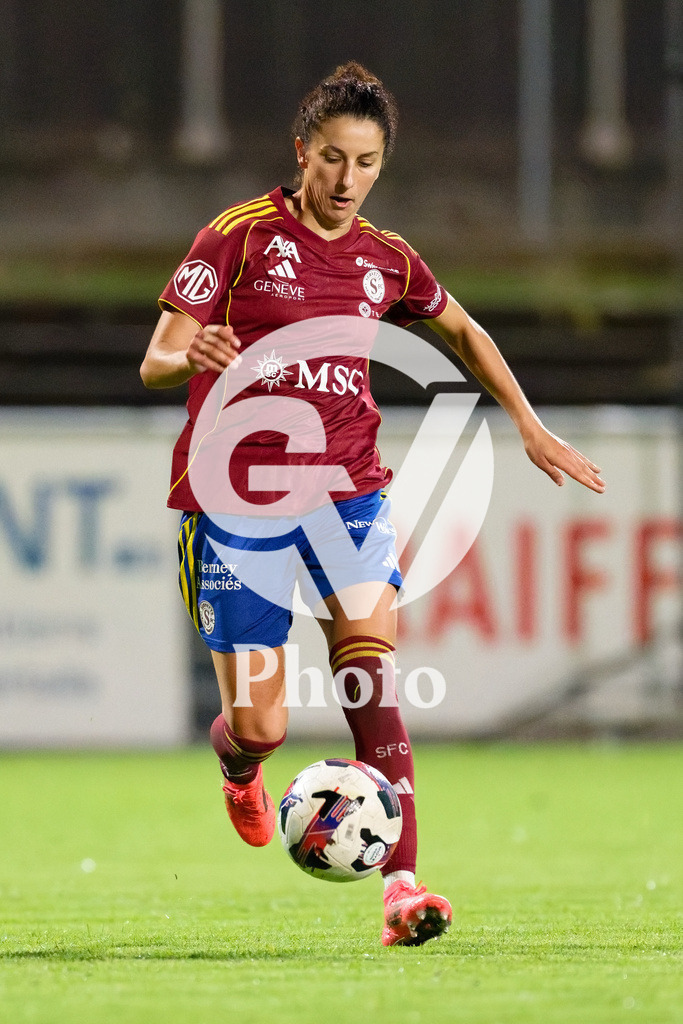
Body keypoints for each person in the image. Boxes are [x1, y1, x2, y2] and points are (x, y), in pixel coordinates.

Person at [140, 62, 605, 946]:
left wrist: (530, 427)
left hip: (348, 490)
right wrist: (194, 348)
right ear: (301, 152)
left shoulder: (384, 259)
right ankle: (240, 764)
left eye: (365, 164)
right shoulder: (235, 236)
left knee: (369, 674)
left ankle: (402, 888)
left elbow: (464, 330)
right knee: (260, 720)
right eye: (331, 159)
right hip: (236, 500)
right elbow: (155, 359)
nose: (346, 181)